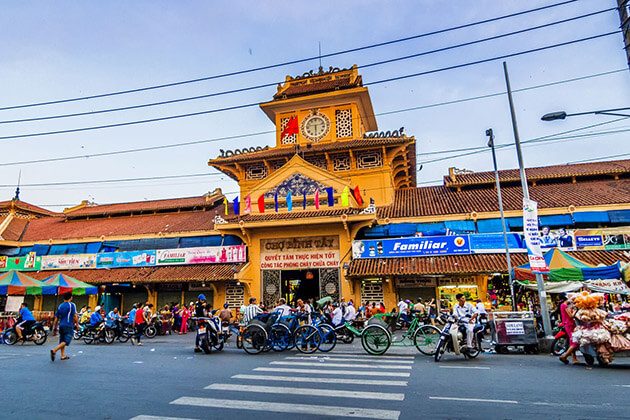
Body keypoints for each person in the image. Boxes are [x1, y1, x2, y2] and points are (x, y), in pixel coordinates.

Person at [50, 292, 78, 362]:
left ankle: (63, 355)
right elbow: (75, 316)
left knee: (62, 340)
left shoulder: (60, 306)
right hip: (68, 325)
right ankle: (54, 350)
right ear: (71, 297)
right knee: (66, 341)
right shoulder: (72, 305)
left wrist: (54, 327)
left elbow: (56, 318)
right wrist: (77, 324)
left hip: (61, 325)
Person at [559, 295, 579, 365]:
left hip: (566, 324)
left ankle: (574, 358)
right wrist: (575, 311)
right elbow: (571, 316)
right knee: (574, 342)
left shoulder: (562, 305)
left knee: (571, 341)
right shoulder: (565, 306)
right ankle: (564, 356)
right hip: (569, 324)